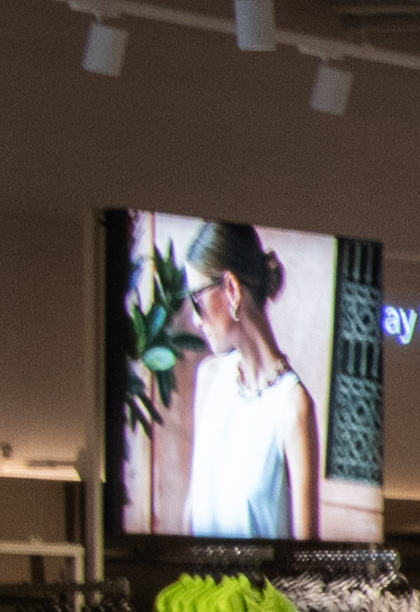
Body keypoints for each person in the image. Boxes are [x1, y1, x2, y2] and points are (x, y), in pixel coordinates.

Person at [133, 224, 315, 545]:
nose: (195, 320)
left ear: (231, 289)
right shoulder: (210, 378)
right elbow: (193, 513)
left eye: (197, 300)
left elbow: (307, 561)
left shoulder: (292, 405)